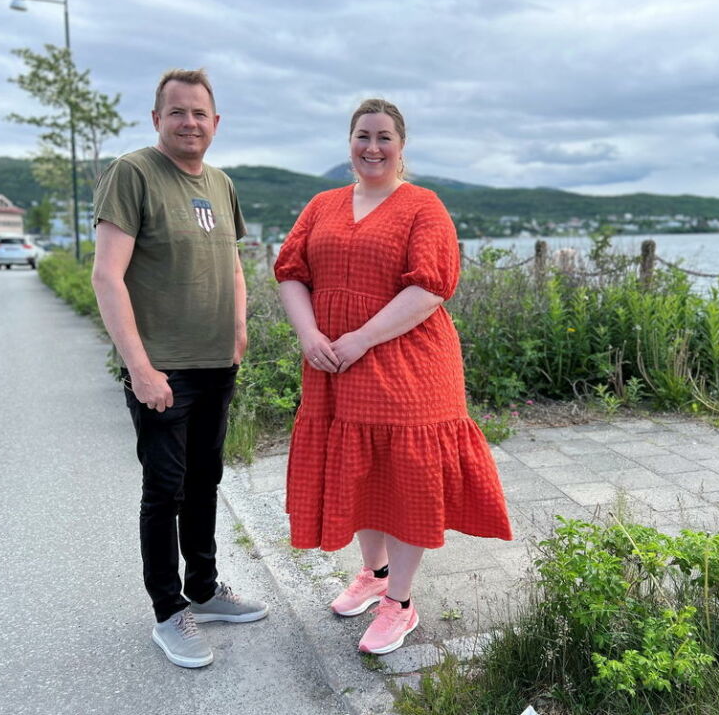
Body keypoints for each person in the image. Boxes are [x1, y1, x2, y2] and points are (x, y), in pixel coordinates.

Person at [274, 98, 512, 655]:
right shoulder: (322, 204)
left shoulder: (423, 206)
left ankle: (399, 603)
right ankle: (374, 574)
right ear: (349, 142)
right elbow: (290, 271)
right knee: (361, 470)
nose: (372, 147)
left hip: (407, 363)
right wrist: (310, 336)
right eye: (362, 136)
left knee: (405, 478)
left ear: (402, 147)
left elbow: (430, 287)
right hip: (333, 360)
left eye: (384, 137)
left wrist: (359, 338)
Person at [91, 69, 268, 669]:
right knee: (163, 492)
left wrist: (239, 329)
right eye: (177, 112)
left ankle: (205, 590)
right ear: (156, 119)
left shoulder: (221, 183)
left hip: (217, 362)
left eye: (199, 113)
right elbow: (106, 276)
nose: (189, 122)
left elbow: (235, 266)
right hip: (162, 370)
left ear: (215, 124)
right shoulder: (133, 173)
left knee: (204, 483)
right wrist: (139, 366)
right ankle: (169, 612)